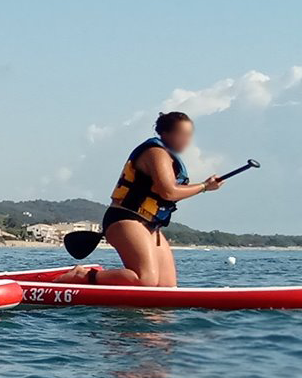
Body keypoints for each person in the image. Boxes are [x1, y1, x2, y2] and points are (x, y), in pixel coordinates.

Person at [56, 112, 222, 287]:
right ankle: (82, 276)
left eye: (190, 135)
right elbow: (168, 192)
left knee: (166, 285)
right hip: (126, 219)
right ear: (166, 133)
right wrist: (204, 186)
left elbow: (164, 197)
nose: (187, 140)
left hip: (150, 225)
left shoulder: (168, 156)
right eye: (183, 134)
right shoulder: (156, 152)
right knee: (145, 280)